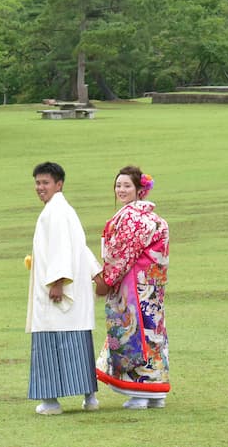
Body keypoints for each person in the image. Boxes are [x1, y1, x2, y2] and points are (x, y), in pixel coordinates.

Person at [25, 162, 102, 415]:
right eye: (37, 182)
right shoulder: (64, 210)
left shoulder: (56, 211)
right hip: (73, 293)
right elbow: (79, 247)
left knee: (51, 342)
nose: (40, 187)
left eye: (45, 182)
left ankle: (50, 402)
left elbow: (61, 248)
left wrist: (57, 282)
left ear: (59, 184)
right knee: (77, 341)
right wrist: (96, 272)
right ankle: (89, 398)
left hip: (57, 292)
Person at [94, 165, 170, 409]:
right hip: (151, 286)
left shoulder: (132, 217)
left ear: (140, 190)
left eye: (127, 185)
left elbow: (121, 253)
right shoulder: (152, 217)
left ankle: (140, 391)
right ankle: (155, 393)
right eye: (118, 185)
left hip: (133, 287)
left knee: (133, 335)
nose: (121, 189)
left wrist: (106, 280)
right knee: (153, 335)